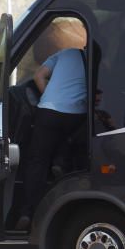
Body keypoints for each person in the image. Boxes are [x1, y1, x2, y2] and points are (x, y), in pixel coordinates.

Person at [15, 47, 87, 231]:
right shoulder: (96, 59)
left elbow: (39, 76)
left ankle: (27, 212)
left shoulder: (64, 53)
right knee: (72, 139)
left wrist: (49, 96)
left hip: (47, 111)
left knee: (37, 162)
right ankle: (61, 162)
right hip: (76, 113)